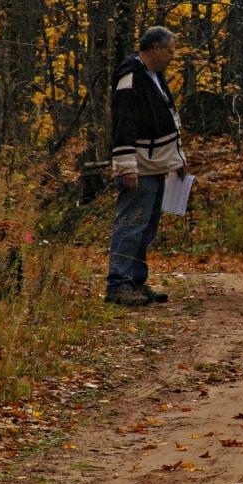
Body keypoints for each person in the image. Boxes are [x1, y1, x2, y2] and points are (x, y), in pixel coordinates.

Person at [105, 26, 187, 306]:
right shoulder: (130, 78)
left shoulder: (155, 78)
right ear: (154, 48)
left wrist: (177, 161)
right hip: (139, 167)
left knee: (146, 228)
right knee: (130, 225)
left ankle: (136, 282)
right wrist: (127, 166)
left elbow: (167, 120)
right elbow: (123, 124)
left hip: (156, 166)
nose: (171, 57)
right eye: (169, 51)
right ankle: (118, 285)